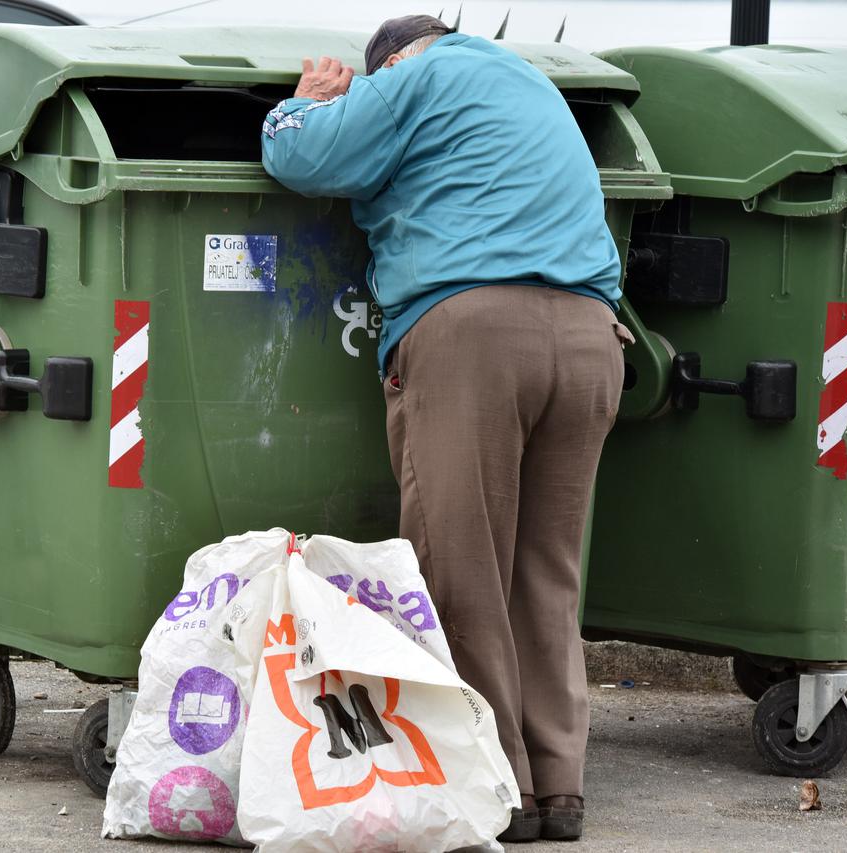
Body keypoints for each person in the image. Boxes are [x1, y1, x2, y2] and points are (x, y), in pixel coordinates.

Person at [260, 14, 630, 844]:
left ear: (390, 58)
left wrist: (303, 105)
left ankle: (495, 784)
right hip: (591, 339)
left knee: (460, 568)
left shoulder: (414, 76)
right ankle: (558, 785)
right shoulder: (536, 84)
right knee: (547, 572)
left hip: (475, 335)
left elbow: (303, 156)